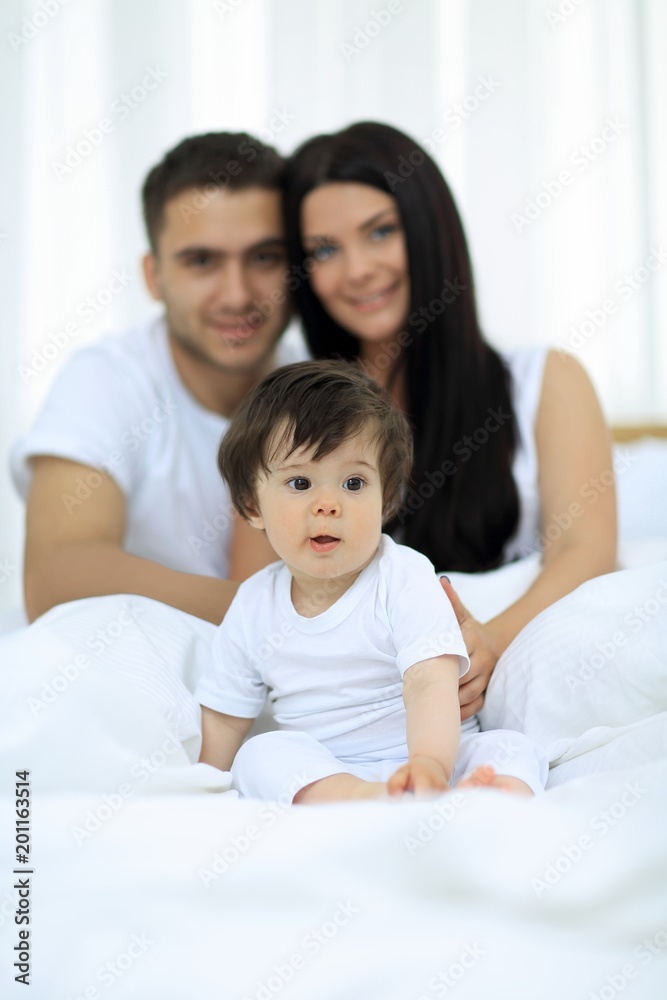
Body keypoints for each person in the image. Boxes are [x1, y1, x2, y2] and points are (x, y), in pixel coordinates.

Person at [281, 121, 617, 717]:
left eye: (380, 231)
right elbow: (262, 593)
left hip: (504, 663)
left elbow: (586, 550)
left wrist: (489, 642)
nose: (357, 270)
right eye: (325, 250)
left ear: (430, 230)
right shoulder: (292, 411)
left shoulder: (547, 379)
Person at [197, 360, 547, 803]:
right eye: (300, 482)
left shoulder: (403, 576)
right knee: (259, 756)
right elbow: (226, 717)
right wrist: (203, 783)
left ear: (387, 500)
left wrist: (429, 764)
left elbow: (429, 682)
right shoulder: (253, 605)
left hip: (433, 752)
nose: (328, 504)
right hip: (330, 767)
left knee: (512, 748)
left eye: (353, 482)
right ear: (251, 505)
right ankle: (367, 798)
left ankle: (479, 798)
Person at [11, 132, 304, 625]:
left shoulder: (317, 385)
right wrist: (282, 621)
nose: (237, 294)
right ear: (153, 276)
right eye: (202, 261)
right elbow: (57, 577)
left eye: (264, 258)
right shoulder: (109, 378)